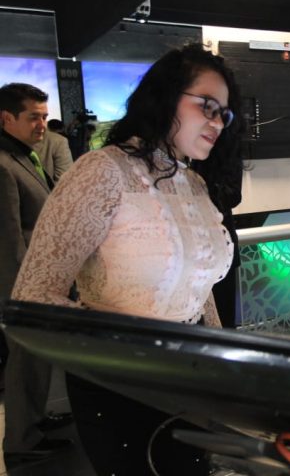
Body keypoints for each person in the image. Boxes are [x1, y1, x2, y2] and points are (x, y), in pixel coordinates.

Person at [11, 43, 245, 475]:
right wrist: (130, 348)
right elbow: (34, 296)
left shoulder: (193, 183)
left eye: (224, 114)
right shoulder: (101, 172)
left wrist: (219, 363)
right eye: (207, 107)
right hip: (116, 382)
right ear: (165, 96)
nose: (217, 123)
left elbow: (200, 290)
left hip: (188, 377)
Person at [0, 83, 73, 466]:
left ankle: (35, 423)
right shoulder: (2, 164)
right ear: (6, 118)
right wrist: (20, 298)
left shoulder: (23, 156)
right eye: (34, 117)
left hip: (38, 282)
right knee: (25, 363)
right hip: (23, 287)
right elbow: (9, 239)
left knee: (35, 361)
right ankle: (21, 441)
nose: (42, 124)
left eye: (45, 116)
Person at [191, 142, 243, 328]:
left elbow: (234, 195)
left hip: (219, 247)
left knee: (224, 321)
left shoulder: (224, 149)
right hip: (185, 254)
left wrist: (198, 189)